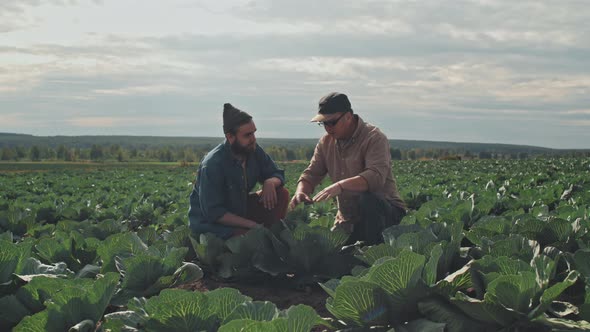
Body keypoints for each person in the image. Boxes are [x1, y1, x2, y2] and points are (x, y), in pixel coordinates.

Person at [289, 92, 406, 245]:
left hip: (386, 215)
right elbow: (312, 173)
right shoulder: (326, 143)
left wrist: (340, 186)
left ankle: (375, 249)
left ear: (348, 116)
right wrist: (301, 191)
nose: (328, 128)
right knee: (328, 253)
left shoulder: (374, 138)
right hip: (348, 219)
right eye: (324, 123)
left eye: (332, 122)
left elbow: (375, 177)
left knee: (368, 200)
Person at [189, 103, 289, 239]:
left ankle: (273, 235)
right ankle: (265, 236)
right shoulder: (213, 164)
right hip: (212, 225)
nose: (253, 139)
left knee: (281, 193)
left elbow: (276, 173)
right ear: (230, 137)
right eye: (247, 135)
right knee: (249, 240)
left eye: (254, 133)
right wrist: (253, 225)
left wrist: (270, 182)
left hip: (239, 210)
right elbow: (214, 213)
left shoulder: (253, 150)